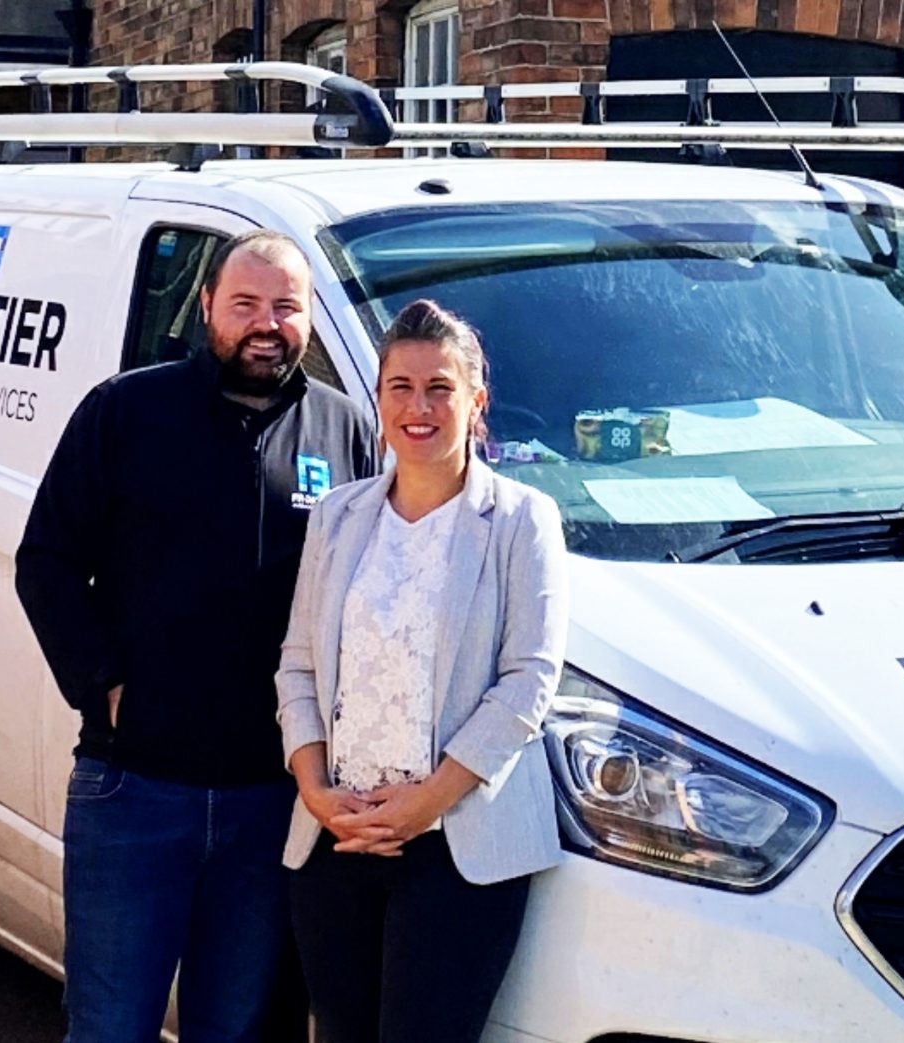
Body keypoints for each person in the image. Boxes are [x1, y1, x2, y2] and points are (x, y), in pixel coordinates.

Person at [15, 229, 379, 1043]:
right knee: (111, 1027)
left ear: (309, 318)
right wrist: (105, 684)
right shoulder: (126, 411)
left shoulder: (344, 431)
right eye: (245, 302)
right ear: (206, 305)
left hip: (269, 801)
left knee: (236, 1030)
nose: (265, 322)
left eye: (285, 306)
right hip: (136, 791)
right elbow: (45, 562)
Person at [276, 298, 569, 1043]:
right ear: (377, 401)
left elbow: (528, 682)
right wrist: (315, 790)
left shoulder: (521, 521)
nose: (419, 406)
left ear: (476, 401)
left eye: (439, 386)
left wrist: (425, 802)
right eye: (399, 387)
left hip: (458, 847)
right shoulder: (338, 517)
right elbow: (298, 667)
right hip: (337, 838)